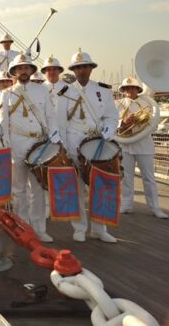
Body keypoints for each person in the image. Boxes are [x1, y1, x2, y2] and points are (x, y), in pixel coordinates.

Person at [57, 49, 119, 243]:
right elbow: (61, 123)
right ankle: (79, 228)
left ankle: (99, 229)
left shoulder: (103, 90)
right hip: (74, 143)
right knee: (76, 188)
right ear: (73, 71)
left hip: (98, 143)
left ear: (91, 68)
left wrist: (108, 131)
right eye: (77, 68)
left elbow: (111, 116)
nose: (81, 71)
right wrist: (64, 148)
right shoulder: (65, 92)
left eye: (85, 67)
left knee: (100, 187)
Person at [0, 53, 59, 243]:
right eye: (20, 68)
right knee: (19, 189)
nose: (23, 71)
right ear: (14, 71)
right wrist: (6, 144)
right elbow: (2, 122)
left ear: (32, 70)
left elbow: (50, 116)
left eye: (26, 67)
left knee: (38, 189)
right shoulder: (6, 94)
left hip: (39, 144)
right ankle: (22, 227)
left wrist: (54, 136)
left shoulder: (42, 91)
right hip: (17, 143)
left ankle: (39, 229)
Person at [116, 77, 168, 219]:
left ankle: (154, 208)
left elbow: (154, 125)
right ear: (123, 90)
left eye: (132, 88)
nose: (129, 90)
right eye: (126, 88)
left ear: (138, 89)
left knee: (149, 178)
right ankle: (126, 205)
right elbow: (112, 123)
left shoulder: (147, 103)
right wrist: (123, 122)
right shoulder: (118, 105)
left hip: (144, 145)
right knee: (126, 178)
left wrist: (140, 121)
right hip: (125, 145)